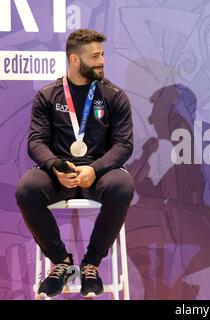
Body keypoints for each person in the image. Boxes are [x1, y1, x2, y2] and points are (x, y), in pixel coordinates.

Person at [15, 29, 134, 298]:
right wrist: (54, 166)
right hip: (59, 173)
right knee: (27, 189)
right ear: (74, 59)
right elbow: (36, 142)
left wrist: (95, 168)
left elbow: (124, 145)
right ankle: (62, 263)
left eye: (102, 54)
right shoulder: (48, 95)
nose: (102, 60)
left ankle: (91, 264)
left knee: (122, 185)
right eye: (95, 56)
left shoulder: (114, 96)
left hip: (99, 172)